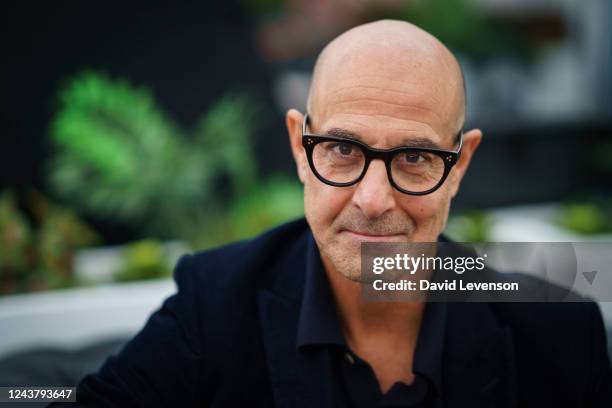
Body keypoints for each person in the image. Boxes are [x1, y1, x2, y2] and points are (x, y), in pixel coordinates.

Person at [52, 20, 612, 407]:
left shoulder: (558, 331)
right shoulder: (215, 302)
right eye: (343, 150)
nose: (372, 200)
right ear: (300, 147)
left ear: (460, 164)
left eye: (415, 157)